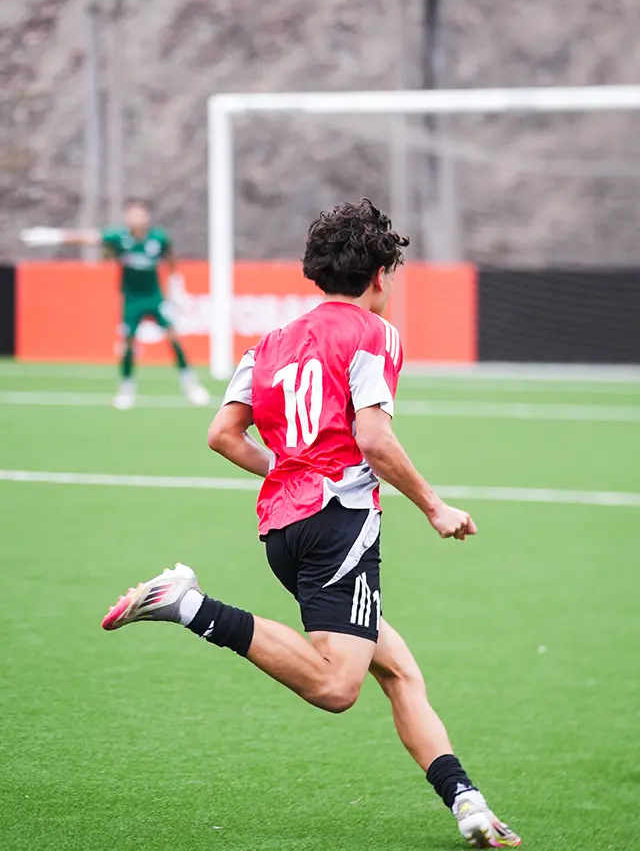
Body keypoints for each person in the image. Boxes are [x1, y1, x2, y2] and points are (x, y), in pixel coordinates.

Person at [100, 199, 522, 848]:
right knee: (335, 685)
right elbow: (374, 439)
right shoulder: (373, 334)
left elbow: (223, 435)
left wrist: (291, 467)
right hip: (339, 527)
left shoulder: (268, 344)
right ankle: (189, 605)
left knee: (399, 670)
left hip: (284, 531)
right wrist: (435, 505)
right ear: (380, 274)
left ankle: (466, 799)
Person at [21, 200, 210, 410]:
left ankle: (191, 386)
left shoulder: (158, 238)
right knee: (128, 342)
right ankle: (126, 389)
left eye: (139, 214)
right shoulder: (119, 238)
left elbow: (171, 259)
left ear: (146, 217)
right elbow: (88, 238)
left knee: (173, 337)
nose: (135, 218)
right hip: (132, 299)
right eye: (131, 214)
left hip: (154, 297)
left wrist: (177, 286)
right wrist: (54, 236)